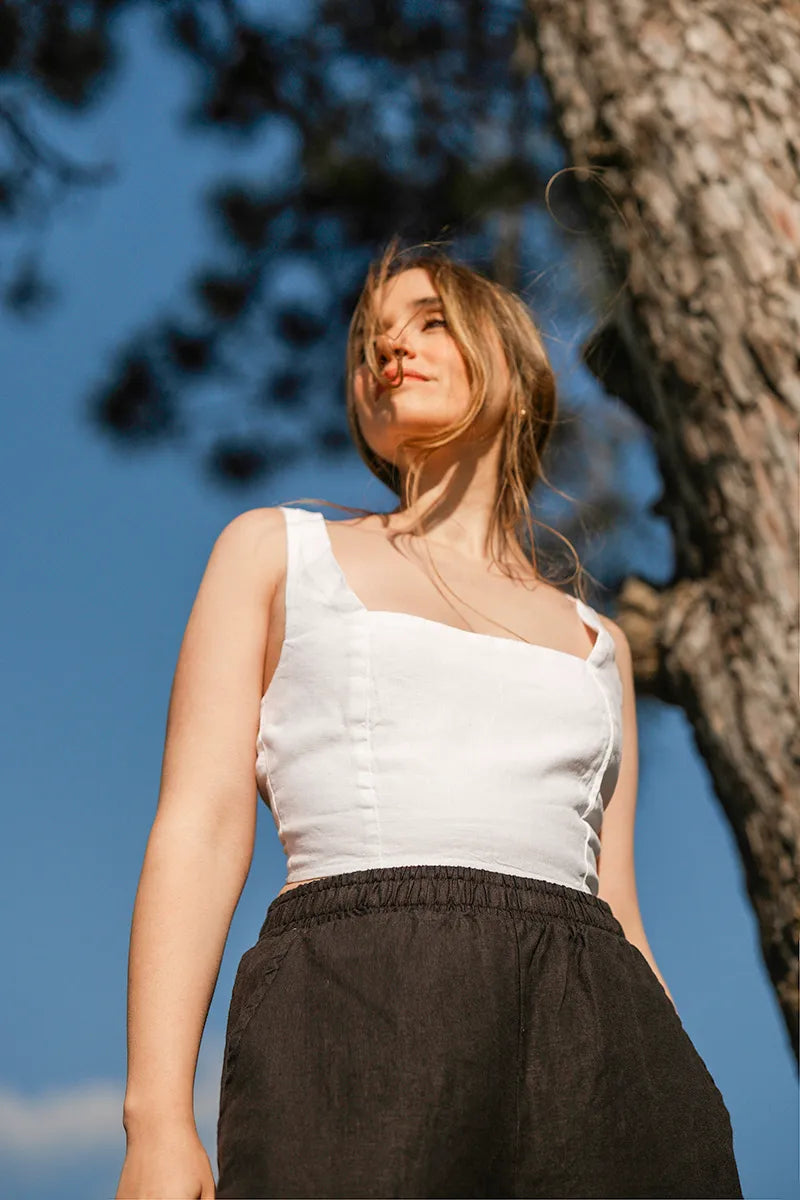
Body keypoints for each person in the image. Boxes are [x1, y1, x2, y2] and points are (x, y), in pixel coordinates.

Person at [115, 242, 743, 1199]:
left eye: (428, 321)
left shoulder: (597, 644)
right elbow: (198, 828)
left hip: (604, 1042)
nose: (387, 349)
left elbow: (617, 906)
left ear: (515, 366)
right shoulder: (277, 553)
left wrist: (684, 1095)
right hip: (360, 997)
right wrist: (157, 1122)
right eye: (370, 339)